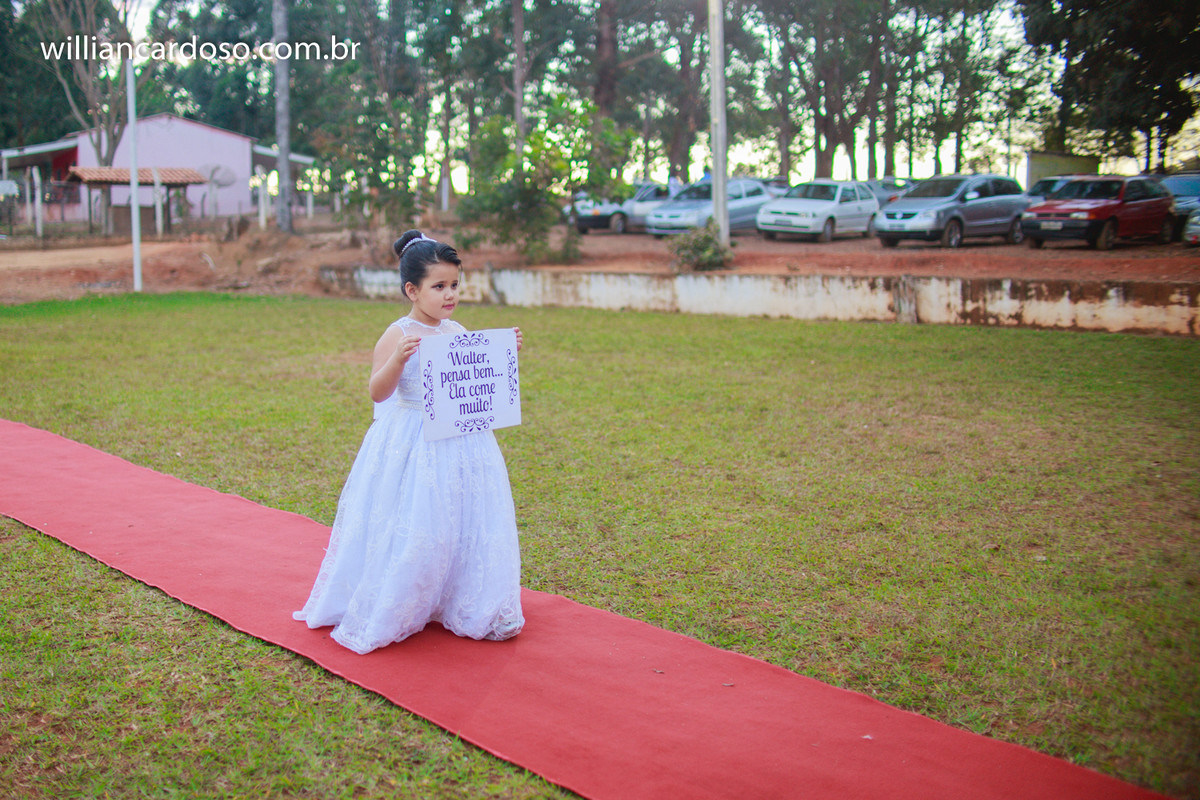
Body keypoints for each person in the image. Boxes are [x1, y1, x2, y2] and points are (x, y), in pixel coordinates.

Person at [294, 229, 525, 654]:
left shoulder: (455, 328)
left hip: (460, 440)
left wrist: (502, 352)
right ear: (412, 290)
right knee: (419, 518)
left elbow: (472, 376)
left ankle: (458, 593)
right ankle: (405, 596)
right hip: (414, 439)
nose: (450, 295)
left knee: (458, 515)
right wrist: (398, 360)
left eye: (455, 285)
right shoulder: (398, 332)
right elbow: (377, 392)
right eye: (439, 287)